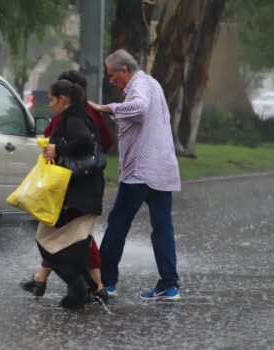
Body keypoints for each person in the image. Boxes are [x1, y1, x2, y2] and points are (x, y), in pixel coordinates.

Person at [88, 49, 182, 301]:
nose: (111, 81)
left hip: (141, 171)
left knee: (118, 223)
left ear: (124, 71)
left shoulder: (139, 85)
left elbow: (139, 109)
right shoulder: (152, 84)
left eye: (112, 75)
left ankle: (106, 281)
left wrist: (105, 108)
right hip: (161, 169)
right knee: (162, 227)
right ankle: (169, 284)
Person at [20, 70, 112, 303]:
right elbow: (104, 142)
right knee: (73, 242)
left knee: (59, 241)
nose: (49, 105)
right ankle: (87, 289)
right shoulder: (85, 113)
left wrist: (57, 149)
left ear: (64, 97)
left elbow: (84, 141)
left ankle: (85, 287)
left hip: (77, 191)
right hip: (82, 189)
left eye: (51, 100)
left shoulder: (72, 117)